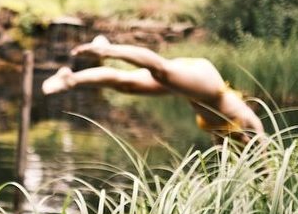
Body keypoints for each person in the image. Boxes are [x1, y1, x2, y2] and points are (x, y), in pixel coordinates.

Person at [42, 36, 265, 144]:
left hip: (189, 89)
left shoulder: (225, 133)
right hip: (208, 84)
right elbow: (263, 145)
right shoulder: (248, 119)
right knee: (161, 71)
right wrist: (267, 176)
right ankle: (107, 50)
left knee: (127, 85)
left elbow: (223, 160)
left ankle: (70, 79)